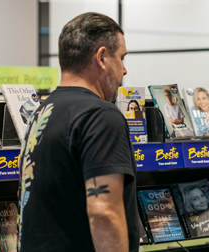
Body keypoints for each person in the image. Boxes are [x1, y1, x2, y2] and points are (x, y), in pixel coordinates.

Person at [18, 12, 139, 252]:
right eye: (121, 58)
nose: (124, 70)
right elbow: (104, 213)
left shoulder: (42, 112)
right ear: (102, 57)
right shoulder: (100, 115)